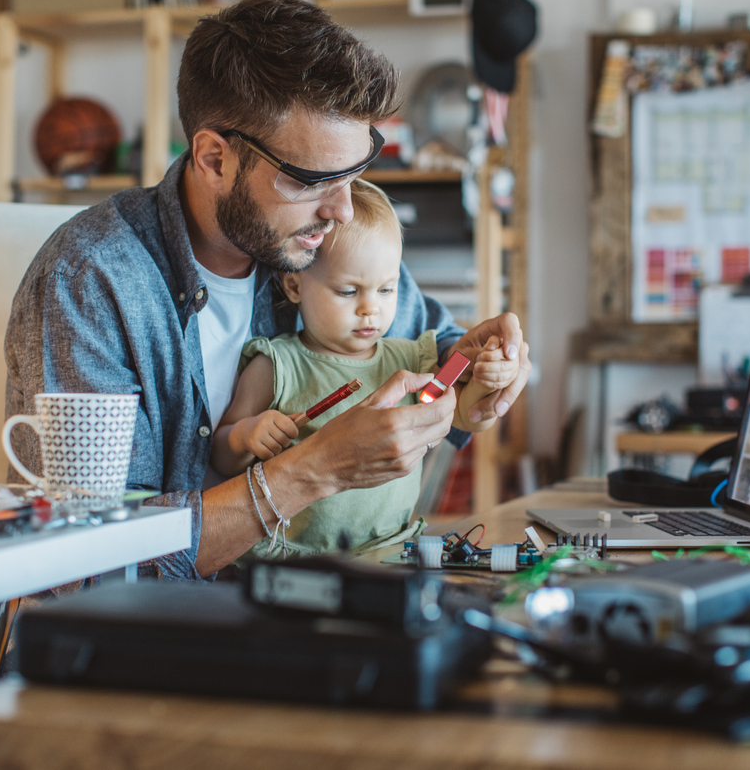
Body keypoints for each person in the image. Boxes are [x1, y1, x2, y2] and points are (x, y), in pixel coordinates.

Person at [4, 0, 532, 581]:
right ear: (214, 159)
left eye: (356, 174)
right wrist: (314, 469)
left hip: (317, 600)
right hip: (155, 641)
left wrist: (479, 379)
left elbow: (434, 347)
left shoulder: (321, 245)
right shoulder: (92, 283)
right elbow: (93, 561)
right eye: (313, 181)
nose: (342, 209)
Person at [210, 179, 519, 557]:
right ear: (293, 286)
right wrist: (246, 436)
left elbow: (468, 416)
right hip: (299, 560)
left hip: (393, 550)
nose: (370, 308)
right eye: (348, 291)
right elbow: (222, 456)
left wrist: (489, 379)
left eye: (387, 290)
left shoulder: (411, 358)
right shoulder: (276, 364)